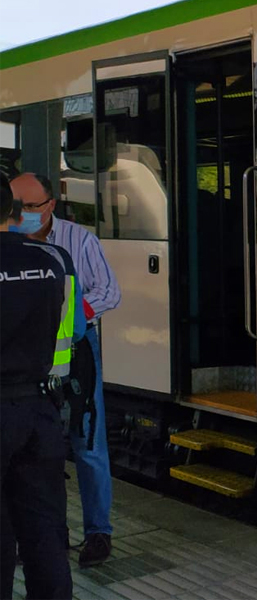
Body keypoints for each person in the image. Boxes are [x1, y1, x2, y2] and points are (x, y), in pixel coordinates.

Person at [11, 172, 120, 567]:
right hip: (26, 357)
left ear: (51, 205)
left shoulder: (79, 240)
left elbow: (109, 291)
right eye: (16, 206)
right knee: (37, 447)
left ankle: (98, 533)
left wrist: (68, 317)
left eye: (31, 207)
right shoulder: (10, 241)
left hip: (75, 351)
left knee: (86, 441)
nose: (22, 215)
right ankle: (46, 535)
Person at [1, 173, 85, 599]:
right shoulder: (55, 260)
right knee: (45, 533)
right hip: (41, 411)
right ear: (11, 213)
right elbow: (73, 331)